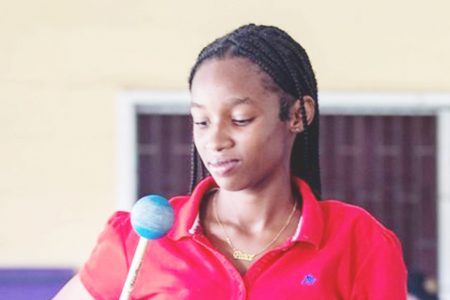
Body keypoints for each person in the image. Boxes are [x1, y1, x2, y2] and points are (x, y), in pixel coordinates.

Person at [55, 24, 407, 299]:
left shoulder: (360, 242)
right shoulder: (138, 240)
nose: (215, 141)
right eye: (201, 121)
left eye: (240, 120)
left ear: (298, 115)